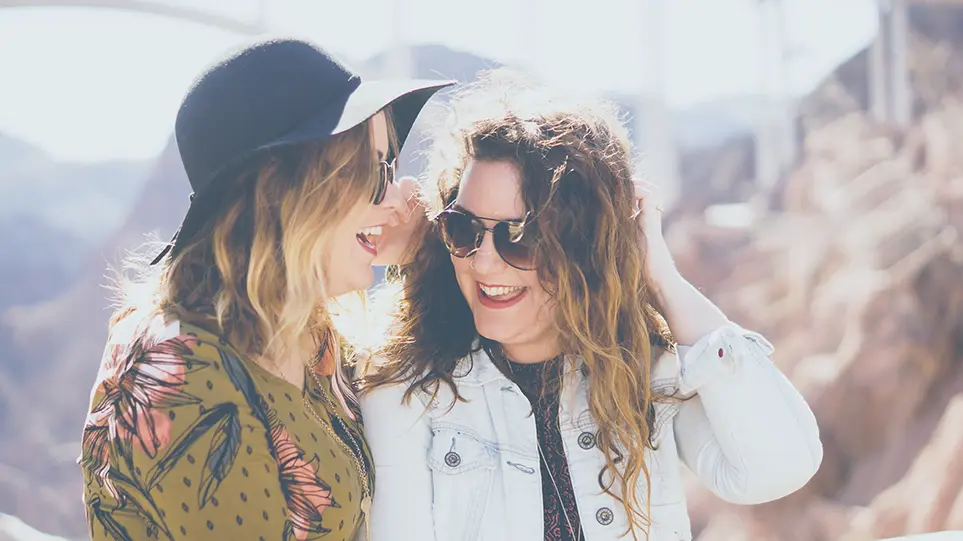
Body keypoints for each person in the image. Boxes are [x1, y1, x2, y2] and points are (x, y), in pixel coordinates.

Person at [359, 72, 823, 541]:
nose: (482, 261)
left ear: (583, 245)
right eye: (464, 229)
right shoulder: (410, 390)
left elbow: (778, 467)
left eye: (520, 236)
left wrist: (661, 276)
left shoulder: (642, 369)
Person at [77, 38, 452, 541]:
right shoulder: (179, 373)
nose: (396, 201)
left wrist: (425, 254)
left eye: (392, 170)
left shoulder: (311, 334)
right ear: (283, 189)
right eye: (374, 171)